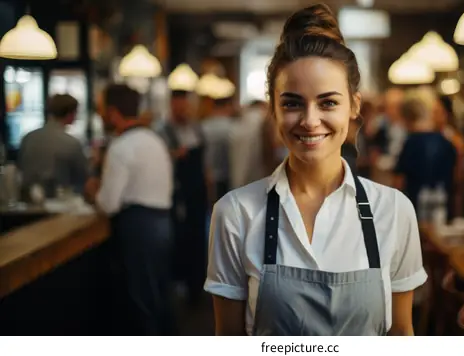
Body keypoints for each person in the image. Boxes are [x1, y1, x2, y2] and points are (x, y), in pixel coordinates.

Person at [204, 3, 427, 336]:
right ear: (273, 109)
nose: (310, 121)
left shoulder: (394, 211)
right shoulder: (235, 214)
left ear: (354, 105)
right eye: (292, 103)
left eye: (328, 102)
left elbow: (402, 336)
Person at [85, 84, 175, 335]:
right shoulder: (153, 140)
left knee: (140, 303)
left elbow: (108, 204)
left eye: (102, 109)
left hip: (139, 227)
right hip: (162, 223)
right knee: (158, 299)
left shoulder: (121, 147)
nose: (100, 115)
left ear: (113, 112)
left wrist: (93, 191)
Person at [158, 90, 211, 304]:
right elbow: (159, 161)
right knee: (181, 239)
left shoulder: (197, 128)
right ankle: (180, 285)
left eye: (185, 105)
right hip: (178, 193)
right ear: (171, 106)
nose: (182, 110)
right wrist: (173, 155)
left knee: (199, 239)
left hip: (197, 193)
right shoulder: (163, 131)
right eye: (178, 106)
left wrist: (210, 189)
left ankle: (197, 287)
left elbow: (205, 163)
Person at [393, 88, 457, 220]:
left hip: (416, 209)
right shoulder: (446, 142)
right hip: (443, 207)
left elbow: (399, 182)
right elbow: (456, 179)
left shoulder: (411, 143)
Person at [18, 94, 88, 197]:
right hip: (61, 202)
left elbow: (20, 167)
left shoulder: (27, 138)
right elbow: (82, 177)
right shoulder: (72, 143)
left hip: (27, 201)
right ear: (70, 114)